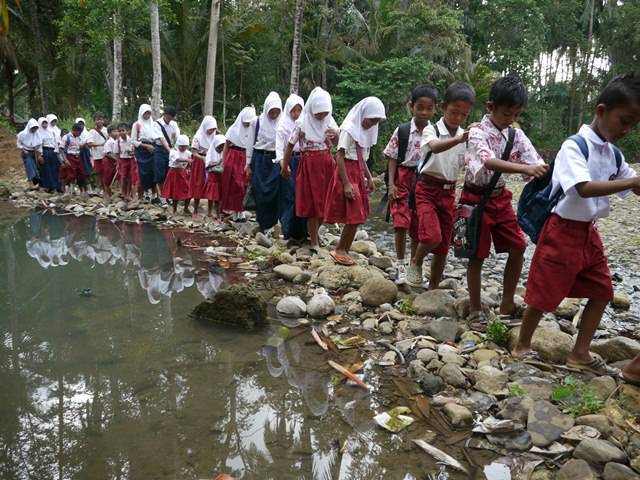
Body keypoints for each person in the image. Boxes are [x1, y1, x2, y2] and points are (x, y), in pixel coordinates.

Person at [513, 74, 640, 375]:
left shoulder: (613, 153)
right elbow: (581, 187)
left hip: (587, 232)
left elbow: (628, 185)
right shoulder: (574, 146)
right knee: (543, 293)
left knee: (602, 291)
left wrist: (634, 182)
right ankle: (522, 344)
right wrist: (633, 180)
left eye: (633, 124)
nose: (626, 129)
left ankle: (580, 352)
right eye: (624, 120)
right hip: (560, 230)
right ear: (601, 110)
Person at [462, 76, 549, 331]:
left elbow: (536, 162)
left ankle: (507, 302)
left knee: (518, 246)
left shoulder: (516, 135)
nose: (510, 118)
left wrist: (543, 170)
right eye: (505, 113)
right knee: (476, 255)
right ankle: (476, 309)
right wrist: (527, 168)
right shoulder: (477, 132)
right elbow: (488, 161)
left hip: (500, 199)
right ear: (491, 107)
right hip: (474, 199)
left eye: (515, 113)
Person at [407, 82, 477, 288]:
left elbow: (471, 163)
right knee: (431, 236)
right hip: (427, 190)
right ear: (443, 107)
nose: (458, 118)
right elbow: (435, 148)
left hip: (449, 192)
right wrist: (459, 139)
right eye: (454, 112)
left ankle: (433, 288)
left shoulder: (465, 135)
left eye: (463, 115)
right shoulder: (432, 129)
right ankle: (416, 261)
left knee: (443, 245)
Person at [383, 84, 438, 283]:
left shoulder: (436, 133)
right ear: (411, 106)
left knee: (417, 224)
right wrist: (391, 184)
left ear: (435, 108)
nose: (424, 112)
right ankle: (399, 263)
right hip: (403, 178)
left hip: (425, 181)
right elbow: (391, 157)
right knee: (400, 223)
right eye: (420, 107)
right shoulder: (403, 131)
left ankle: (415, 265)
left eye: (429, 108)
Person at [324, 97, 386, 265]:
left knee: (357, 215)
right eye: (371, 119)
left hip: (357, 172)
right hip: (347, 172)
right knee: (355, 214)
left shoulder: (365, 133)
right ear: (363, 114)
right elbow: (340, 156)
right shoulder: (350, 129)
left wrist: (369, 177)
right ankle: (340, 249)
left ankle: (345, 248)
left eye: (376, 121)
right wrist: (346, 183)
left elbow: (362, 159)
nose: (372, 123)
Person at [282, 87, 339, 251]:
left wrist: (335, 135)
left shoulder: (330, 121)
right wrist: (285, 166)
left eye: (324, 112)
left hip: (327, 163)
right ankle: (313, 240)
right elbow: (290, 146)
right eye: (318, 113)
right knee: (313, 203)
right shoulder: (302, 123)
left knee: (326, 201)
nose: (321, 116)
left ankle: (314, 233)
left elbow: (337, 143)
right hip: (309, 164)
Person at [248, 91, 283, 232]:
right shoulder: (256, 122)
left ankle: (273, 222)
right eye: (271, 112)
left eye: (276, 112)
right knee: (259, 190)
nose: (274, 115)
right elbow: (250, 143)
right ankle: (262, 222)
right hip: (260, 158)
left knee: (274, 191)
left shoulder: (283, 123)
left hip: (276, 159)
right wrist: (247, 163)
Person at [276, 93, 306, 240]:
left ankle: (303, 230)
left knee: (303, 195)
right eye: (293, 110)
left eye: (299, 110)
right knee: (290, 196)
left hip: (303, 162)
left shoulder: (305, 124)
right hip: (290, 163)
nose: (296, 114)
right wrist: (284, 165)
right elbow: (279, 149)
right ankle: (288, 230)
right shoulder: (282, 126)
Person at [222, 106, 257, 221]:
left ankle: (241, 210)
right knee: (235, 185)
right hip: (234, 156)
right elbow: (226, 145)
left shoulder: (255, 129)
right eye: (245, 122)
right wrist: (224, 160)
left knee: (244, 185)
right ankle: (236, 211)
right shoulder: (234, 129)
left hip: (246, 157)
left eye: (249, 122)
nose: (247, 125)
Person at [190, 115, 218, 217]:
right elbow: (194, 152)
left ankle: (210, 211)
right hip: (199, 163)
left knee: (211, 185)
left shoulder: (215, 137)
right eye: (210, 129)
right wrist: (202, 158)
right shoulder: (198, 137)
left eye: (213, 129)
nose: (211, 131)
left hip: (211, 162)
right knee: (198, 184)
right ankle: (196, 210)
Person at [131, 104, 158, 202]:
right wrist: (146, 146)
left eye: (149, 113)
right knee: (143, 173)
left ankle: (154, 195)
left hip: (153, 149)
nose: (147, 115)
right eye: (145, 113)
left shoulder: (153, 124)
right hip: (142, 150)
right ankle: (146, 194)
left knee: (153, 172)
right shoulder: (137, 125)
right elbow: (133, 141)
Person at [153, 105, 180, 199]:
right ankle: (162, 195)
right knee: (160, 173)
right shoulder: (156, 124)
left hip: (172, 149)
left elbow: (177, 138)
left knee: (170, 172)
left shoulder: (174, 124)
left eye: (171, 117)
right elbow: (161, 139)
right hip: (160, 149)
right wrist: (170, 151)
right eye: (168, 117)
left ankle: (169, 194)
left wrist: (176, 149)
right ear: (164, 114)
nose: (169, 119)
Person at [162, 134, 192, 215]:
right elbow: (177, 159)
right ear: (178, 145)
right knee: (175, 192)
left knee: (188, 190)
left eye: (185, 146)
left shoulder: (188, 153)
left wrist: (189, 167)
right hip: (174, 173)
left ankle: (186, 208)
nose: (183, 148)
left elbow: (189, 164)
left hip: (184, 172)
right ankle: (174, 209)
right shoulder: (173, 152)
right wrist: (188, 160)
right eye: (181, 146)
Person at [60, 123, 88, 193]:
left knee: (81, 173)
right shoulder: (66, 137)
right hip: (70, 156)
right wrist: (65, 160)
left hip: (77, 157)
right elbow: (61, 149)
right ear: (74, 130)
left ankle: (82, 190)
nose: (80, 134)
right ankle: (64, 185)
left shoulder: (79, 138)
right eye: (79, 132)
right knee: (71, 174)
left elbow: (78, 147)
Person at [204, 133, 226, 220]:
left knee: (218, 196)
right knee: (213, 196)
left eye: (222, 147)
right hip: (213, 177)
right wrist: (218, 163)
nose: (221, 149)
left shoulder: (222, 153)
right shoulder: (211, 153)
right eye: (220, 147)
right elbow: (208, 164)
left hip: (219, 177)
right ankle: (214, 213)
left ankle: (217, 213)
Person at [87, 112, 109, 195]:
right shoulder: (92, 132)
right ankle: (98, 188)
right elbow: (89, 144)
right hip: (96, 155)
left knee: (105, 172)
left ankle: (105, 188)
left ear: (103, 120)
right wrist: (101, 144)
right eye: (97, 119)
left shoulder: (107, 130)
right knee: (98, 173)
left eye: (101, 119)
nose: (99, 121)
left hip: (106, 155)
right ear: (94, 121)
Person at [16, 118, 43, 186]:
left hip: (34, 152)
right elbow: (18, 143)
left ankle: (36, 183)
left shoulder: (38, 134)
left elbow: (39, 146)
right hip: (26, 153)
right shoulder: (23, 134)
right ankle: (30, 183)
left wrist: (40, 155)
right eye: (33, 128)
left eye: (36, 128)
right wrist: (23, 149)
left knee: (35, 167)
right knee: (29, 166)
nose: (34, 129)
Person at [38, 116, 61, 192]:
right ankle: (48, 186)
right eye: (43, 123)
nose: (45, 125)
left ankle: (56, 185)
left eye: (46, 123)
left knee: (54, 168)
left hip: (52, 151)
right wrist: (40, 154)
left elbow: (55, 142)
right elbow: (39, 144)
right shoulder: (39, 133)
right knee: (46, 169)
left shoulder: (51, 131)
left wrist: (56, 150)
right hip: (45, 151)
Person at [117, 123, 136, 201]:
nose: (122, 132)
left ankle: (128, 194)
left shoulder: (131, 140)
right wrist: (118, 163)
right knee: (123, 177)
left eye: (123, 131)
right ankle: (123, 193)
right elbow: (117, 153)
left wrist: (132, 153)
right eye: (120, 131)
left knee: (130, 177)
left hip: (130, 160)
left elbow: (135, 151)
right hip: (123, 160)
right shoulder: (118, 141)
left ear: (127, 131)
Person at [102, 125, 119, 200]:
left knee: (116, 177)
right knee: (107, 178)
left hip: (115, 161)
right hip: (109, 161)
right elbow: (108, 153)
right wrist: (117, 159)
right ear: (109, 133)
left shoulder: (118, 141)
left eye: (117, 131)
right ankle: (108, 194)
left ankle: (115, 193)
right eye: (114, 131)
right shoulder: (109, 142)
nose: (116, 133)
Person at [75, 117, 93, 181]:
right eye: (79, 124)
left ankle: (88, 186)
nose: (81, 125)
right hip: (76, 152)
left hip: (85, 152)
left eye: (82, 124)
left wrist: (85, 144)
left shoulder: (87, 133)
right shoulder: (74, 133)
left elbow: (90, 143)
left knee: (86, 168)